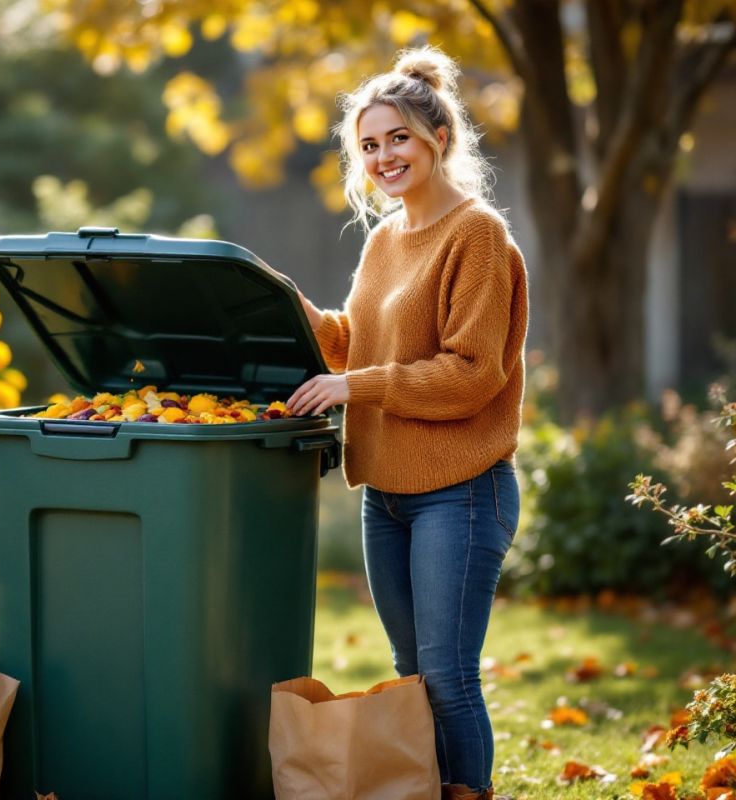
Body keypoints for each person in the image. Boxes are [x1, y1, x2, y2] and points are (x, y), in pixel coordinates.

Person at [284, 45, 528, 800]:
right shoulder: (386, 237)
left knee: (449, 679)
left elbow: (469, 374)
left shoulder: (476, 234)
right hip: (385, 493)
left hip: (462, 487)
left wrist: (354, 383)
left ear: (437, 138)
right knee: (412, 676)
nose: (382, 157)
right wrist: (279, 302)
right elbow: (355, 344)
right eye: (369, 145)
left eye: (396, 139)